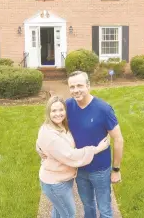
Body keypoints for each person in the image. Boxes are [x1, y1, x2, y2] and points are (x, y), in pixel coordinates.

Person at [36, 95, 110, 218]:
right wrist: (97, 149)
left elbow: (42, 143)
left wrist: (39, 147)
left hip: (59, 178)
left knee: (59, 211)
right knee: (69, 213)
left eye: (61, 110)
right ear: (48, 112)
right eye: (54, 110)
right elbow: (71, 155)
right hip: (56, 183)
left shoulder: (58, 126)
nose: (58, 114)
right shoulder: (50, 134)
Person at [66, 71, 124, 218]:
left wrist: (116, 169)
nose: (76, 90)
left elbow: (118, 139)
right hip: (79, 168)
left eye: (80, 85)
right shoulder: (67, 106)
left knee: (104, 209)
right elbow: (54, 126)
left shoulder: (103, 109)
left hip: (100, 170)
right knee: (88, 206)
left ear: (88, 86)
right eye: (72, 87)